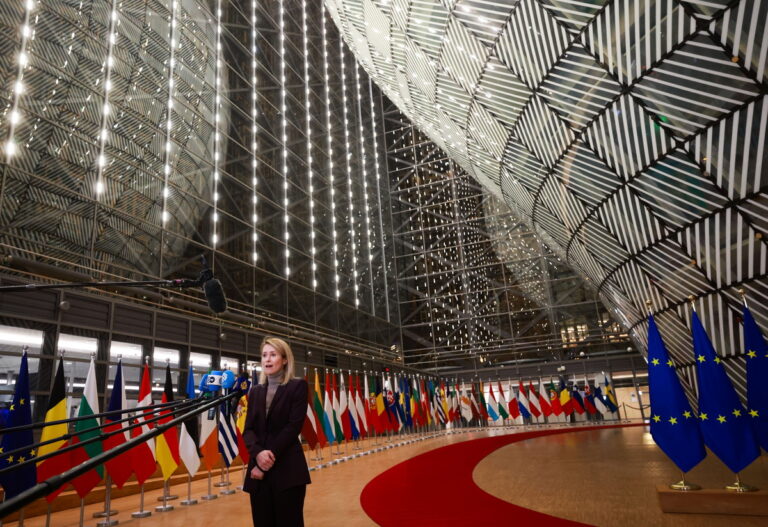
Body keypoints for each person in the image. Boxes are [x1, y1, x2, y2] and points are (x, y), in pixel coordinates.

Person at [242, 337, 311, 526]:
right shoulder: (255, 391)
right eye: (264, 355)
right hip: (258, 474)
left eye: (273, 355)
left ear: (285, 359)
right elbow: (248, 429)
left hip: (287, 470)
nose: (267, 359)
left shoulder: (298, 386)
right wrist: (258, 455)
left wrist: (264, 463)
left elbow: (293, 427)